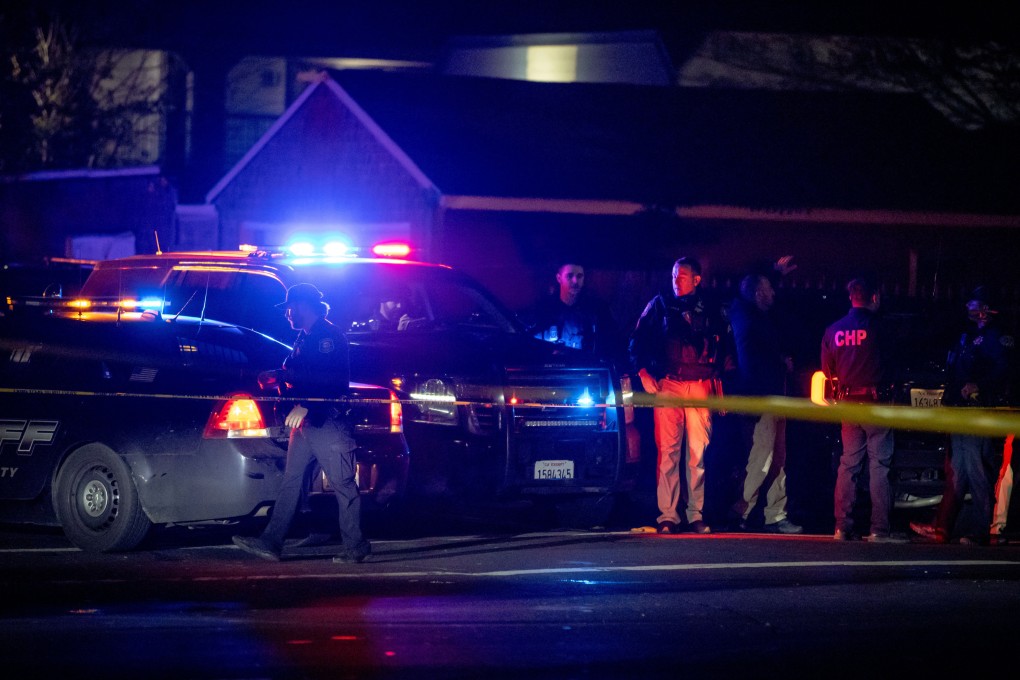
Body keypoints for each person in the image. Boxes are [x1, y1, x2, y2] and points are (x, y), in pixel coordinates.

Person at [232, 283, 371, 564]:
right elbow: (300, 370)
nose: (286, 315)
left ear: (304, 306)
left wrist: (307, 405)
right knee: (292, 482)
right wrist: (276, 375)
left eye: (289, 308)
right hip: (307, 424)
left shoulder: (327, 337)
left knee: (343, 484)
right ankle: (271, 542)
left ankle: (355, 546)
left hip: (327, 421)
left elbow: (330, 380)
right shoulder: (306, 338)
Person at [629, 256, 735, 534]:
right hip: (669, 384)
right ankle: (667, 515)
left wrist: (720, 385)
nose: (676, 280)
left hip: (701, 385)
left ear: (697, 279)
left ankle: (695, 513)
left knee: (697, 453)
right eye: (674, 275)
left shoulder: (713, 306)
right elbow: (636, 342)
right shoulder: (660, 304)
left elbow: (726, 348)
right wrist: (643, 374)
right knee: (668, 452)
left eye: (682, 276)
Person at [910, 286, 1015, 545]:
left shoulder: (996, 337)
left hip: (977, 410)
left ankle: (980, 530)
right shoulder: (966, 336)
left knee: (977, 470)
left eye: (975, 304)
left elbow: (1004, 369)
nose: (970, 308)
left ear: (987, 309)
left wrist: (980, 386)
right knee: (958, 471)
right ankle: (943, 527)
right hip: (958, 408)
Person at [822, 277, 900, 542]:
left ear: (850, 298)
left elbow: (828, 371)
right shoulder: (880, 328)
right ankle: (879, 529)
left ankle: (842, 527)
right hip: (877, 404)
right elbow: (893, 362)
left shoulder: (833, 330)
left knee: (848, 464)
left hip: (848, 405)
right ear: (875, 297)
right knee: (879, 465)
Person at [726, 271, 803, 534]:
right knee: (763, 458)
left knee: (778, 458)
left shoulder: (757, 318)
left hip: (773, 396)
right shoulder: (746, 318)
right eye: (769, 287)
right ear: (758, 293)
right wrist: (780, 363)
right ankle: (742, 511)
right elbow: (751, 361)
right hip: (762, 398)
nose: (774, 293)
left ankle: (775, 515)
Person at [526, 260, 623, 369]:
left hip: (585, 372)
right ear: (559, 278)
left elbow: (613, 342)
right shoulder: (543, 309)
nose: (575, 281)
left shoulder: (597, 310)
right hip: (550, 372)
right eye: (569, 276)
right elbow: (529, 342)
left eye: (579, 276)